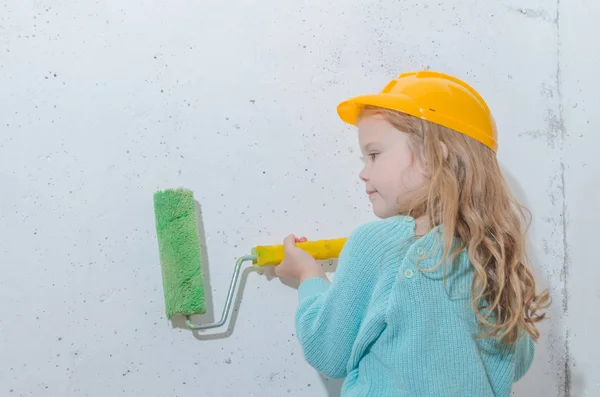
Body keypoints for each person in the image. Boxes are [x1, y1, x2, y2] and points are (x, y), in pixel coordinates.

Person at [274, 71, 551, 396]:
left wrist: (308, 275)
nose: (364, 172)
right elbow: (516, 365)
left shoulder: (377, 244)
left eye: (374, 154)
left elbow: (328, 352)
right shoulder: (495, 254)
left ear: (435, 159)